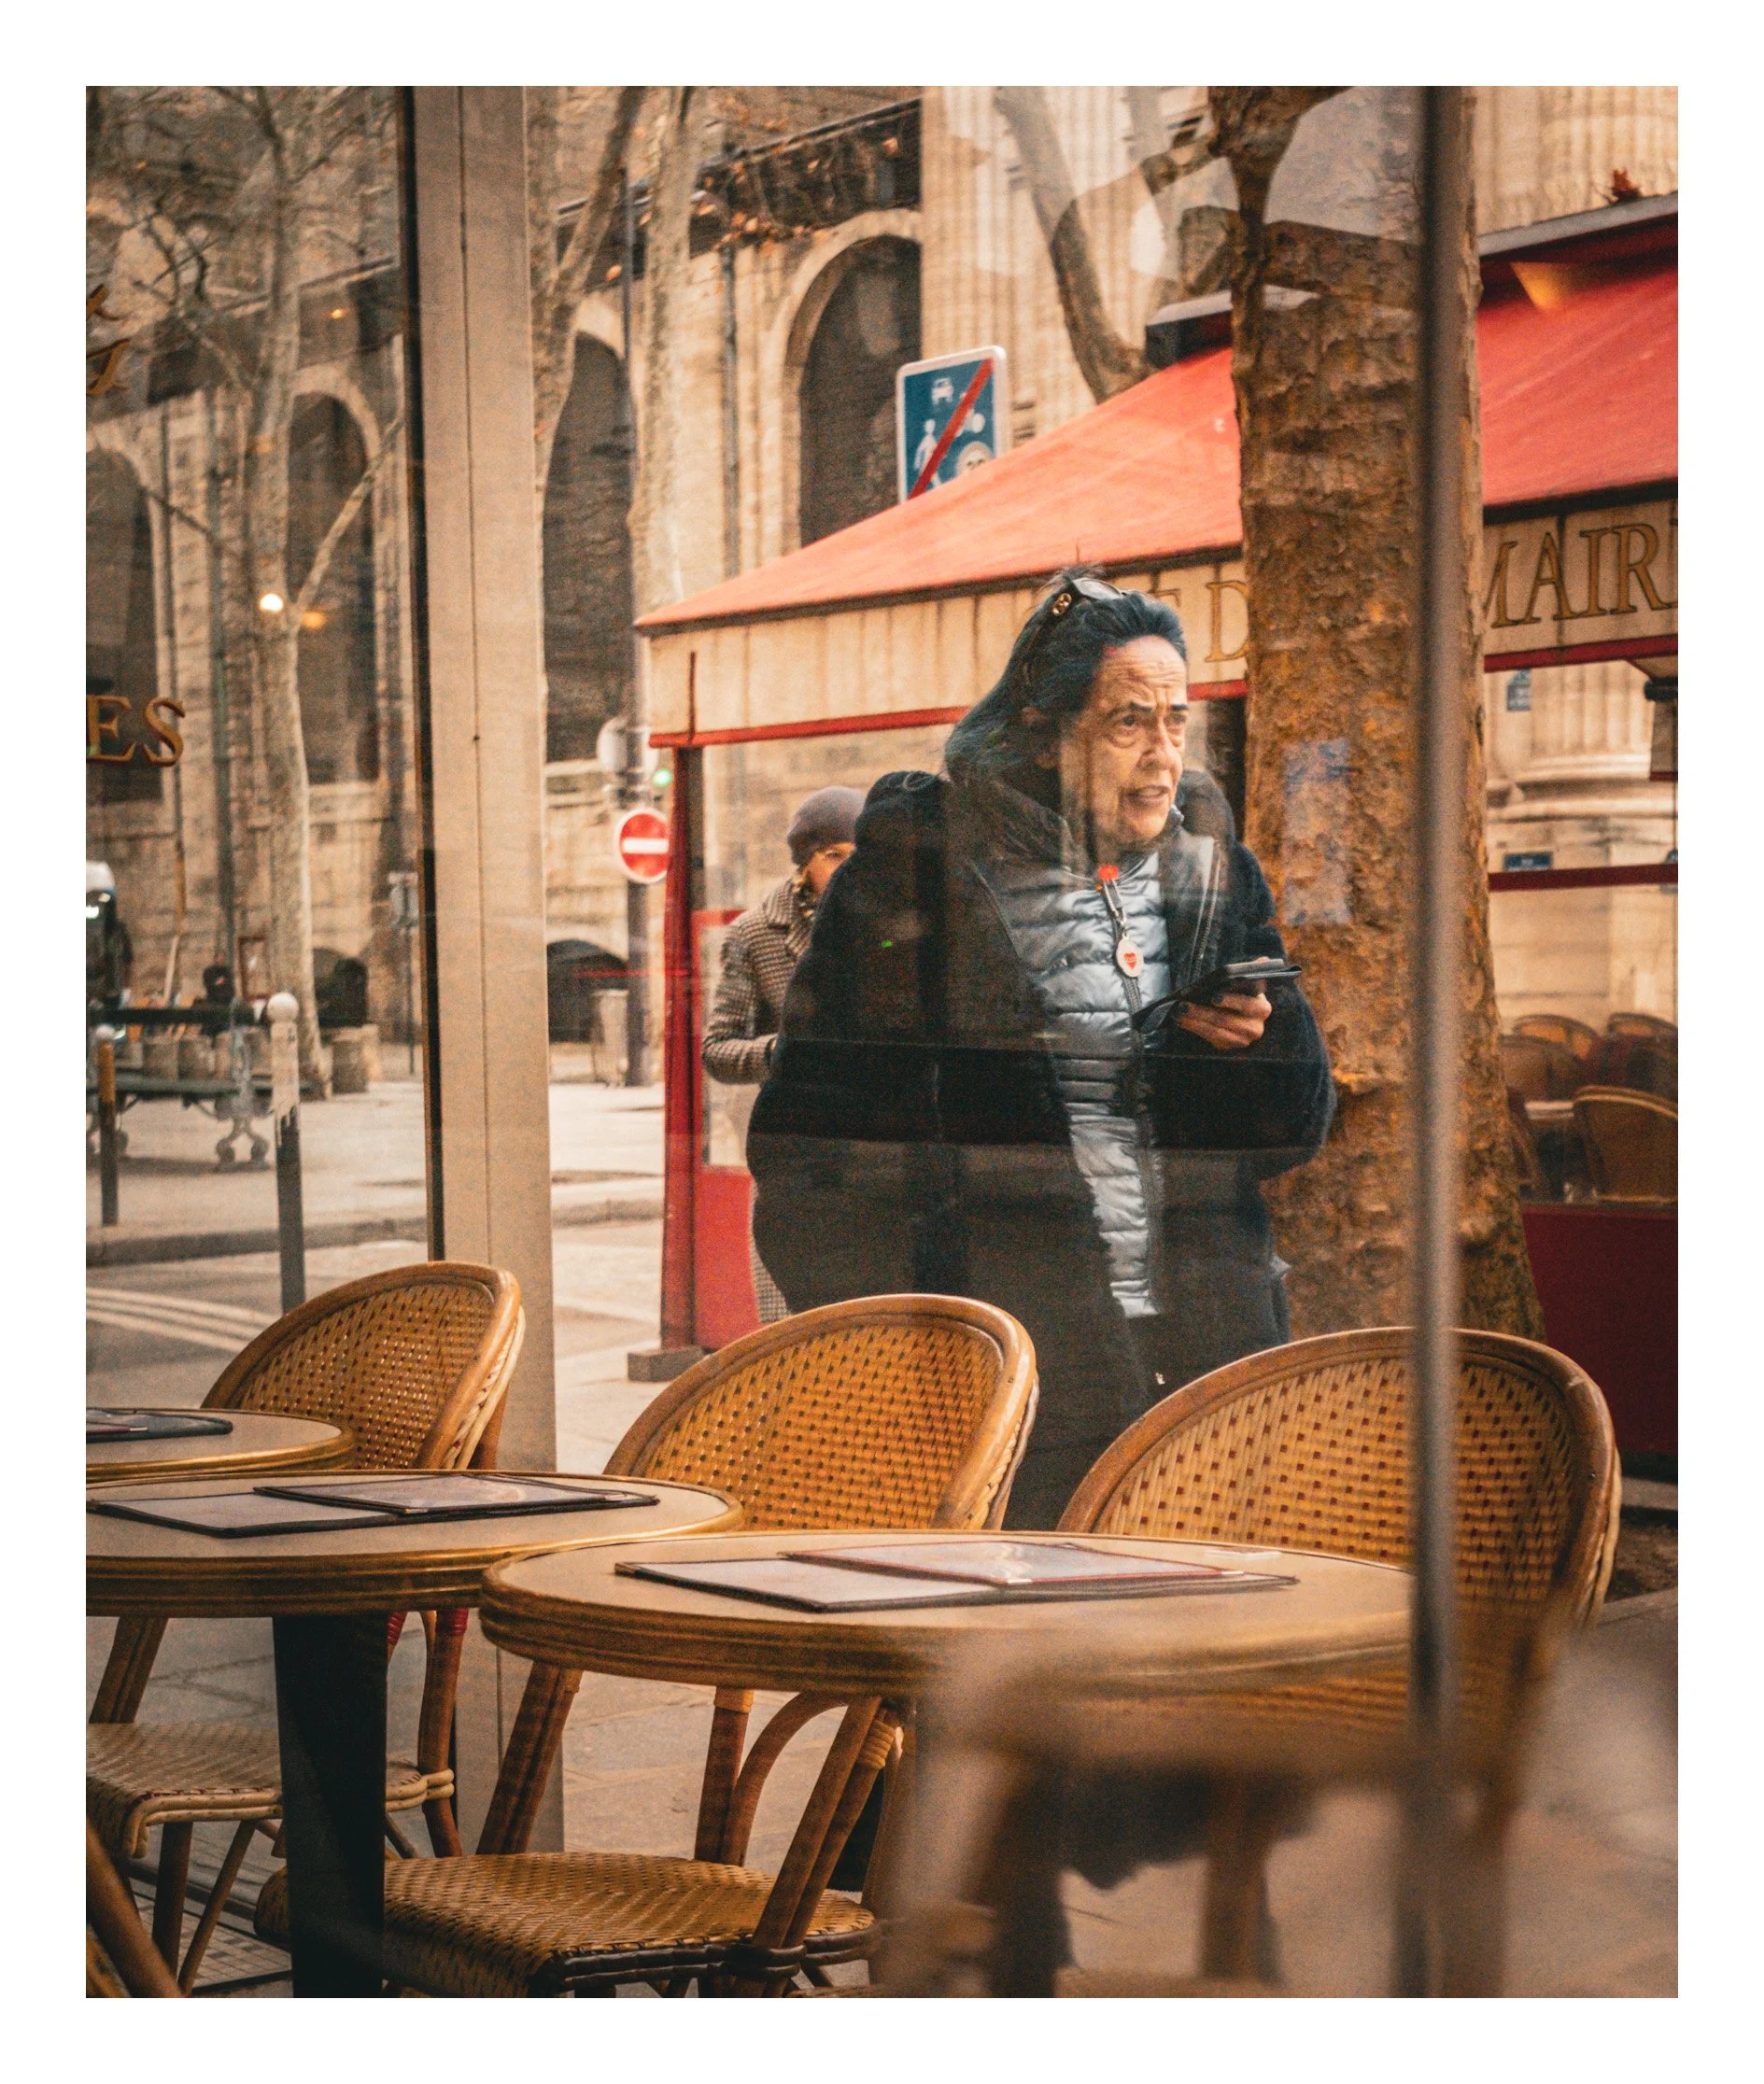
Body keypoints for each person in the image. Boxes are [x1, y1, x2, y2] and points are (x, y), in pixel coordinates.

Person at [748, 570, 1334, 1527]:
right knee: (1012, 1662)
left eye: (1176, 722)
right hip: (1007, 1384)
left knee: (1197, 1650)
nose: (1161, 755)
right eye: (1125, 723)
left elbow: (1288, 1136)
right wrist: (915, 1356)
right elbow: (807, 1156)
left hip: (1207, 1369)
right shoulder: (919, 878)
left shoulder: (1212, 875)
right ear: (1043, 730)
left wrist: (1245, 1048)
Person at [701, 785, 865, 1321]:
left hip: (876, 1156)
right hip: (793, 1156)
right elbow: (717, 1048)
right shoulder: (756, 933)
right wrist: (787, 1053)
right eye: (833, 856)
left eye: (859, 856)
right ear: (804, 862)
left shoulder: (890, 926)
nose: (847, 870)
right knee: (793, 1326)